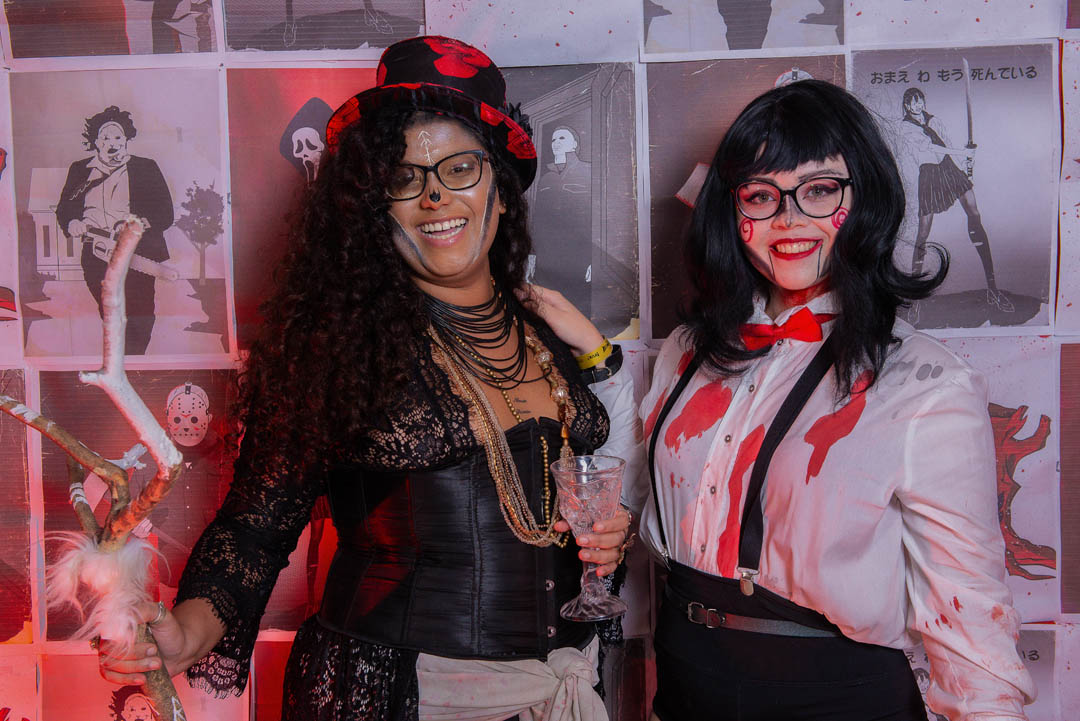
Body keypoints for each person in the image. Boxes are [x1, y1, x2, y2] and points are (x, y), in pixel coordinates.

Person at [96, 36, 634, 721]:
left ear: (500, 192)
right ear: (377, 206)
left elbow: (571, 509)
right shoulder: (337, 347)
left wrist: (610, 539)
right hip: (397, 695)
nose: (434, 194)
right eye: (405, 177)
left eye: (460, 168)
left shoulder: (549, 335)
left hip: (560, 689)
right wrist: (187, 633)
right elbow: (254, 530)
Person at [636, 79, 1035, 720]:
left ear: (866, 196)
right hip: (685, 685)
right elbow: (645, 496)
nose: (788, 219)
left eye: (819, 190)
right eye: (760, 195)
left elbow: (972, 627)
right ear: (731, 211)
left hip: (834, 697)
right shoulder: (685, 352)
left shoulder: (925, 383)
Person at [56, 106, 174, 355]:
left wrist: (137, 224)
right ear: (95, 142)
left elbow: (165, 213)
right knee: (111, 311)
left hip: (137, 251)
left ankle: (134, 359)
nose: (112, 143)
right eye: (105, 138)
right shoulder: (80, 170)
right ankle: (123, 358)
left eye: (118, 137)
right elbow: (65, 208)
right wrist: (72, 222)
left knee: (141, 312)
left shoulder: (145, 168)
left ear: (127, 139)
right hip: (96, 252)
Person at [899, 87, 1014, 316]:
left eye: (920, 100)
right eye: (913, 102)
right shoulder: (905, 127)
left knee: (975, 215)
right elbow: (931, 148)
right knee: (923, 232)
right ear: (906, 105)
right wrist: (964, 153)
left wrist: (966, 166)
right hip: (930, 174)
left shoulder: (935, 120)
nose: (917, 105)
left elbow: (947, 145)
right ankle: (914, 299)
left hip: (950, 169)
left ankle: (992, 289)